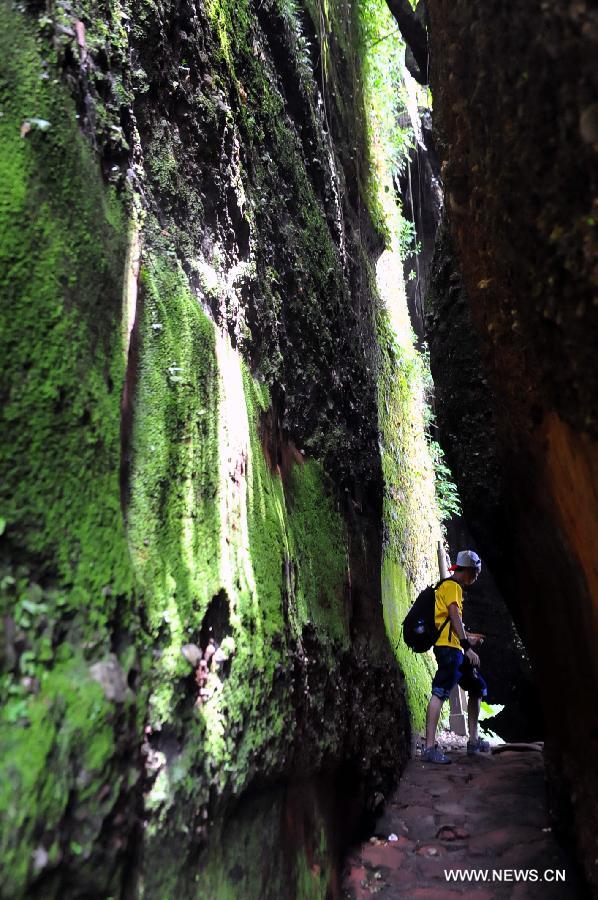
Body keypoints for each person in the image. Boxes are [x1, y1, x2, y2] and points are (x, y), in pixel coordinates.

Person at [422, 549, 491, 764]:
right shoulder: (452, 587)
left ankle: (473, 740)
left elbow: (452, 623)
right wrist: (466, 645)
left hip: (454, 648)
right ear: (468, 570)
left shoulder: (449, 587)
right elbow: (453, 615)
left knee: (477, 687)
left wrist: (468, 638)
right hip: (448, 649)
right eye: (476, 573)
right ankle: (429, 747)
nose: (476, 577)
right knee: (440, 691)